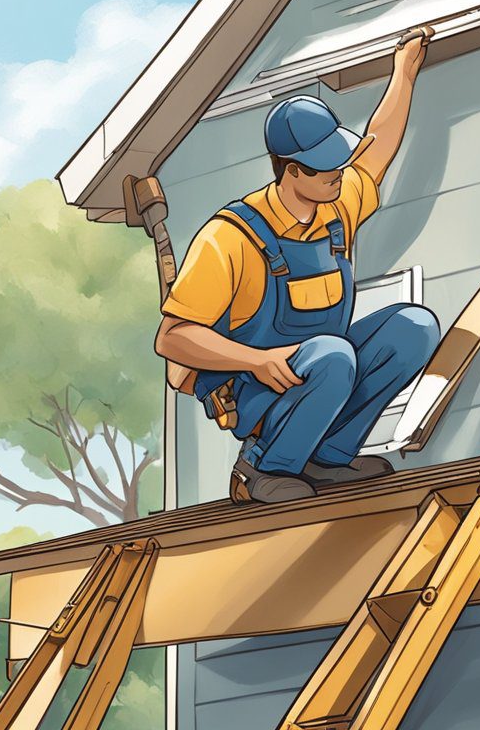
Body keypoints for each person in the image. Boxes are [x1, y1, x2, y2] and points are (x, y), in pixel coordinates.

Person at [155, 27, 439, 504]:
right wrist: (256, 361)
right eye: (325, 168)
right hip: (252, 385)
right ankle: (263, 468)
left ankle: (327, 458)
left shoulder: (334, 206)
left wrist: (404, 72)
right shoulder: (230, 237)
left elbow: (379, 147)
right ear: (291, 171)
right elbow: (172, 337)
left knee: (414, 326)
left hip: (323, 367)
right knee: (332, 354)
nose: (339, 175)